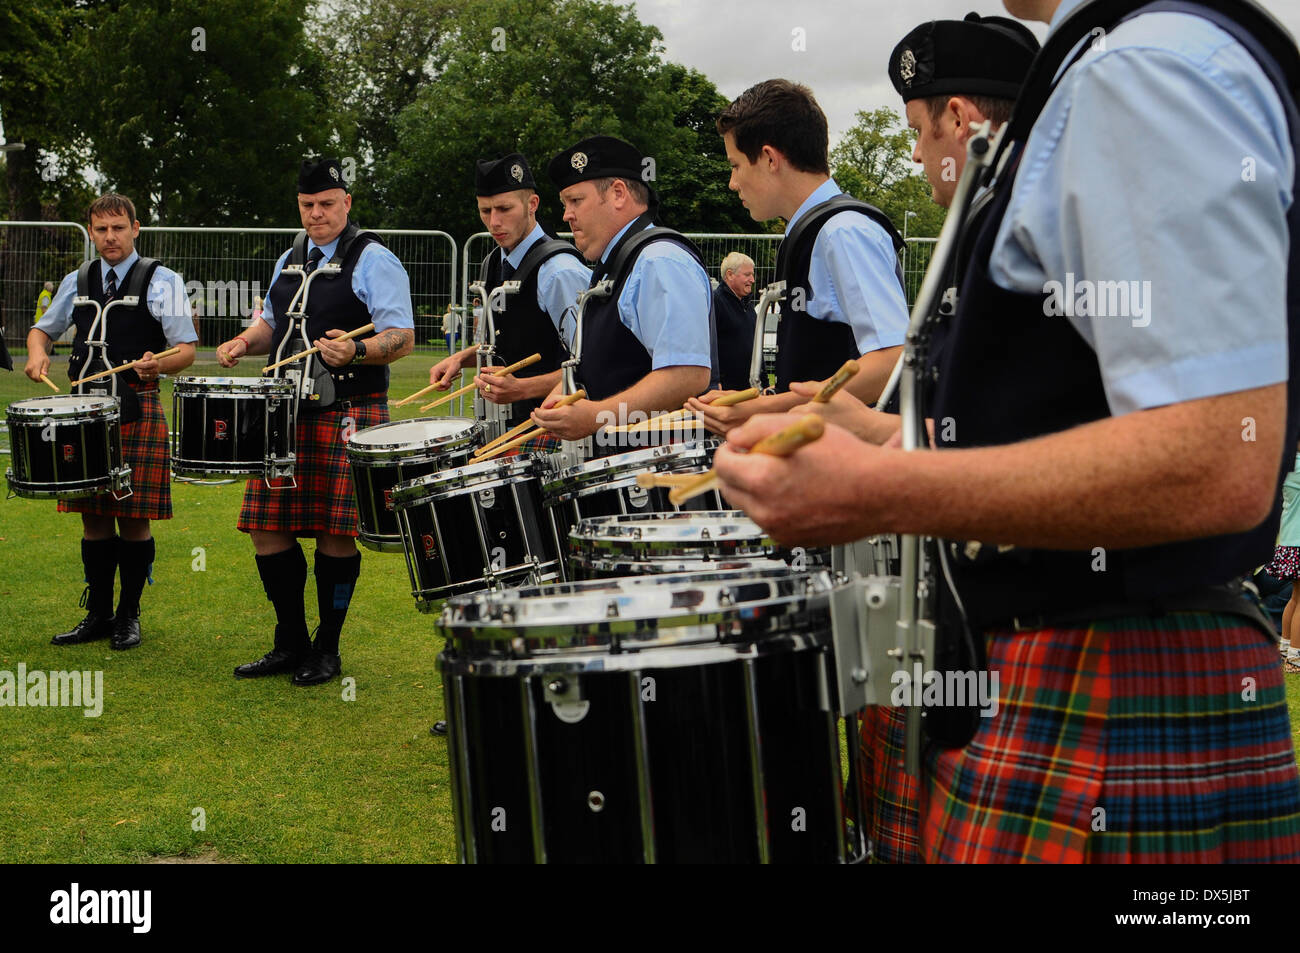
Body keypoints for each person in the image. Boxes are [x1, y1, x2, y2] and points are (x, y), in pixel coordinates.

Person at [715, 0, 1300, 863]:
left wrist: (880, 488)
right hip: (1052, 672)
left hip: (1115, 692)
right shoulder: (1104, 65)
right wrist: (873, 436)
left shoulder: (1144, 70)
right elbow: (1061, 407)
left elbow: (1220, 459)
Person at [215, 157, 415, 686]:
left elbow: (401, 336)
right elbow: (271, 323)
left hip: (348, 412)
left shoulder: (373, 259)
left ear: (347, 203)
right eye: (307, 205)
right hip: (284, 411)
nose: (317, 214)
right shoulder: (291, 257)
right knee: (266, 527)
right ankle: (291, 640)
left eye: (327, 204)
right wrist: (242, 341)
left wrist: (357, 349)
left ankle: (327, 648)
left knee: (335, 530)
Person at [24, 193, 197, 650]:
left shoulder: (163, 280)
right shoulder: (77, 280)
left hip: (136, 409)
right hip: (83, 414)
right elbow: (43, 328)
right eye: (100, 230)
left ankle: (129, 614)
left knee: (134, 518)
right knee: (93, 519)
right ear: (91, 232)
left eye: (118, 228)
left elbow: (185, 348)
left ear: (135, 229)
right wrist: (38, 351)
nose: (110, 237)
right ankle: (97, 613)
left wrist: (158, 365)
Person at [687, 79, 909, 434]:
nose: (732, 182)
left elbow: (891, 361)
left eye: (736, 165)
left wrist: (765, 411)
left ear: (770, 159)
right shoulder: (815, 232)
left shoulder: (843, 232)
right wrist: (760, 404)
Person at [532, 135, 712, 448]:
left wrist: (595, 416)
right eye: (565, 204)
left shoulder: (658, 261)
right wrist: (573, 389)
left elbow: (687, 374)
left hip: (664, 477)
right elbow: (619, 368)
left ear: (618, 193)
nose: (566, 215)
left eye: (576, 201)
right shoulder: (621, 262)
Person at [426, 154, 590, 440]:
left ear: (532, 205)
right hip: (500, 429)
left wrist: (524, 388)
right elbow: (507, 342)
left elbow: (592, 363)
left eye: (504, 209)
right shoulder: (493, 262)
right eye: (485, 210)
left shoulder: (558, 271)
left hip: (554, 430)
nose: (494, 222)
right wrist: (461, 358)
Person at [1264, 447, 1300, 668]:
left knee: (1295, 598)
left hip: (1288, 542)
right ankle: (1296, 657)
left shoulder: (1286, 464)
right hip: (1298, 542)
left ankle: (1286, 647)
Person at [713, 252, 757, 391]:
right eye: (747, 275)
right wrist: (714, 381)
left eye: (752, 274)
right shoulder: (716, 303)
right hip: (726, 390)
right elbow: (707, 345)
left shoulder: (748, 306)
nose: (753, 280)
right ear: (730, 275)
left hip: (749, 388)